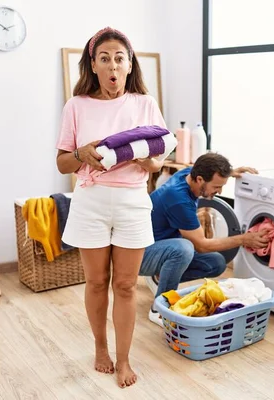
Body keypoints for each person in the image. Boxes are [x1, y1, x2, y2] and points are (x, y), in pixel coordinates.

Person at [55, 27, 164, 388]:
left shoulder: (144, 104)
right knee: (97, 282)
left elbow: (158, 161)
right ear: (94, 64)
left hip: (132, 201)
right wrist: (80, 153)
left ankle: (125, 359)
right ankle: (100, 349)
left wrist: (146, 160)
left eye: (120, 57)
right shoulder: (77, 106)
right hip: (91, 200)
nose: (113, 65)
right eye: (105, 58)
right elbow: (62, 164)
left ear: (130, 64)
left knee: (127, 285)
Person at [138, 152, 270, 325]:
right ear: (200, 180)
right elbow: (201, 245)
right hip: (140, 255)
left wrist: (231, 172)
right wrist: (245, 239)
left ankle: (163, 276)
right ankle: (159, 309)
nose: (219, 191)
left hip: (160, 246)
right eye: (217, 186)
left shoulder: (189, 174)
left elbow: (207, 168)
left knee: (216, 263)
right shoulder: (178, 198)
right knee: (183, 248)